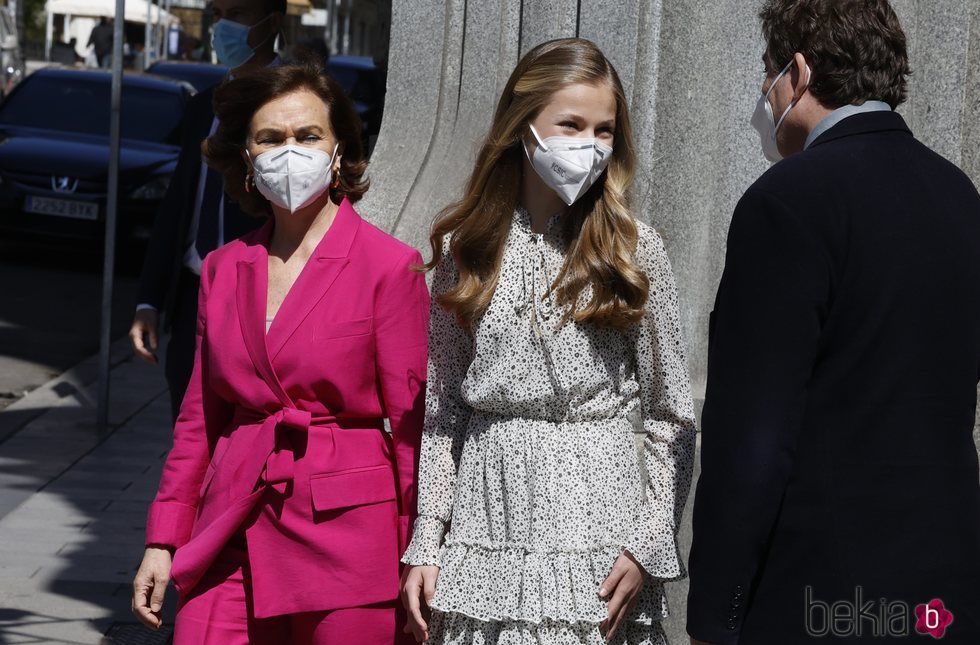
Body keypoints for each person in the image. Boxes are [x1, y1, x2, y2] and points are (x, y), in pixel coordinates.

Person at [686, 1, 980, 644]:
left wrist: (714, 613)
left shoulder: (786, 201)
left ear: (796, 72)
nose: (763, 98)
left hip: (818, 596)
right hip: (942, 598)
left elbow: (752, 438)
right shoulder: (960, 196)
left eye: (767, 75)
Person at [399, 38, 697, 645]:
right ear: (523, 126)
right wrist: (428, 536)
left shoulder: (635, 250)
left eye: (604, 129)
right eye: (570, 123)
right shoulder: (468, 247)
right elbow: (444, 410)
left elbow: (673, 416)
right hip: (489, 515)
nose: (588, 143)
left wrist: (647, 541)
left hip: (599, 519)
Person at [130, 64, 428, 643]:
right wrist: (164, 537)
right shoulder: (222, 268)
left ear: (338, 148)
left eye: (307, 135)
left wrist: (419, 550)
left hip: (347, 537)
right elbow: (198, 423)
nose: (289, 151)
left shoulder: (389, 266)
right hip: (231, 521)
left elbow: (416, 429)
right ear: (246, 155)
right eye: (270, 138)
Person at [130, 0, 285, 421]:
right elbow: (179, 206)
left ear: (273, 21)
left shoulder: (297, 104)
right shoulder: (203, 106)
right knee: (187, 427)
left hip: (259, 295)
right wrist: (149, 301)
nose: (223, 27)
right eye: (217, 15)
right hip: (193, 295)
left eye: (237, 14)